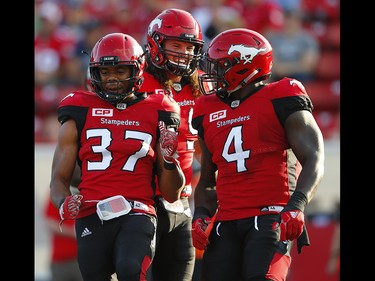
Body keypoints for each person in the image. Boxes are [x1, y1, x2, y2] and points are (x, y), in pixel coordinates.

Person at [191, 28, 325, 281]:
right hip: (226, 222)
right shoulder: (206, 109)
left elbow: (314, 156)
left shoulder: (281, 95)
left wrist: (297, 205)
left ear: (244, 66)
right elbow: (208, 179)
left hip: (270, 217)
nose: (213, 74)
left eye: (221, 66)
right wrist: (201, 215)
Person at [49, 32, 185, 281]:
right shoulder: (79, 109)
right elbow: (58, 179)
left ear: (136, 70)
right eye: (105, 72)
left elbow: (171, 194)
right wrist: (63, 203)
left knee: (130, 269)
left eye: (120, 71)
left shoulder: (160, 109)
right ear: (95, 73)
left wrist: (168, 159)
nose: (111, 78)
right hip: (92, 211)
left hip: (138, 210)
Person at [139, 8, 205, 281]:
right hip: (139, 203)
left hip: (180, 205)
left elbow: (209, 148)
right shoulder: (136, 80)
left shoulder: (201, 85)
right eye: (175, 45)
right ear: (156, 43)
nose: (184, 53)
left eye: (189, 47)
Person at [44, 163, 83, 281]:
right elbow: (50, 222)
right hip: (61, 259)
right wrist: (72, 232)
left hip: (82, 258)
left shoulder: (88, 193)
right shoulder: (59, 193)